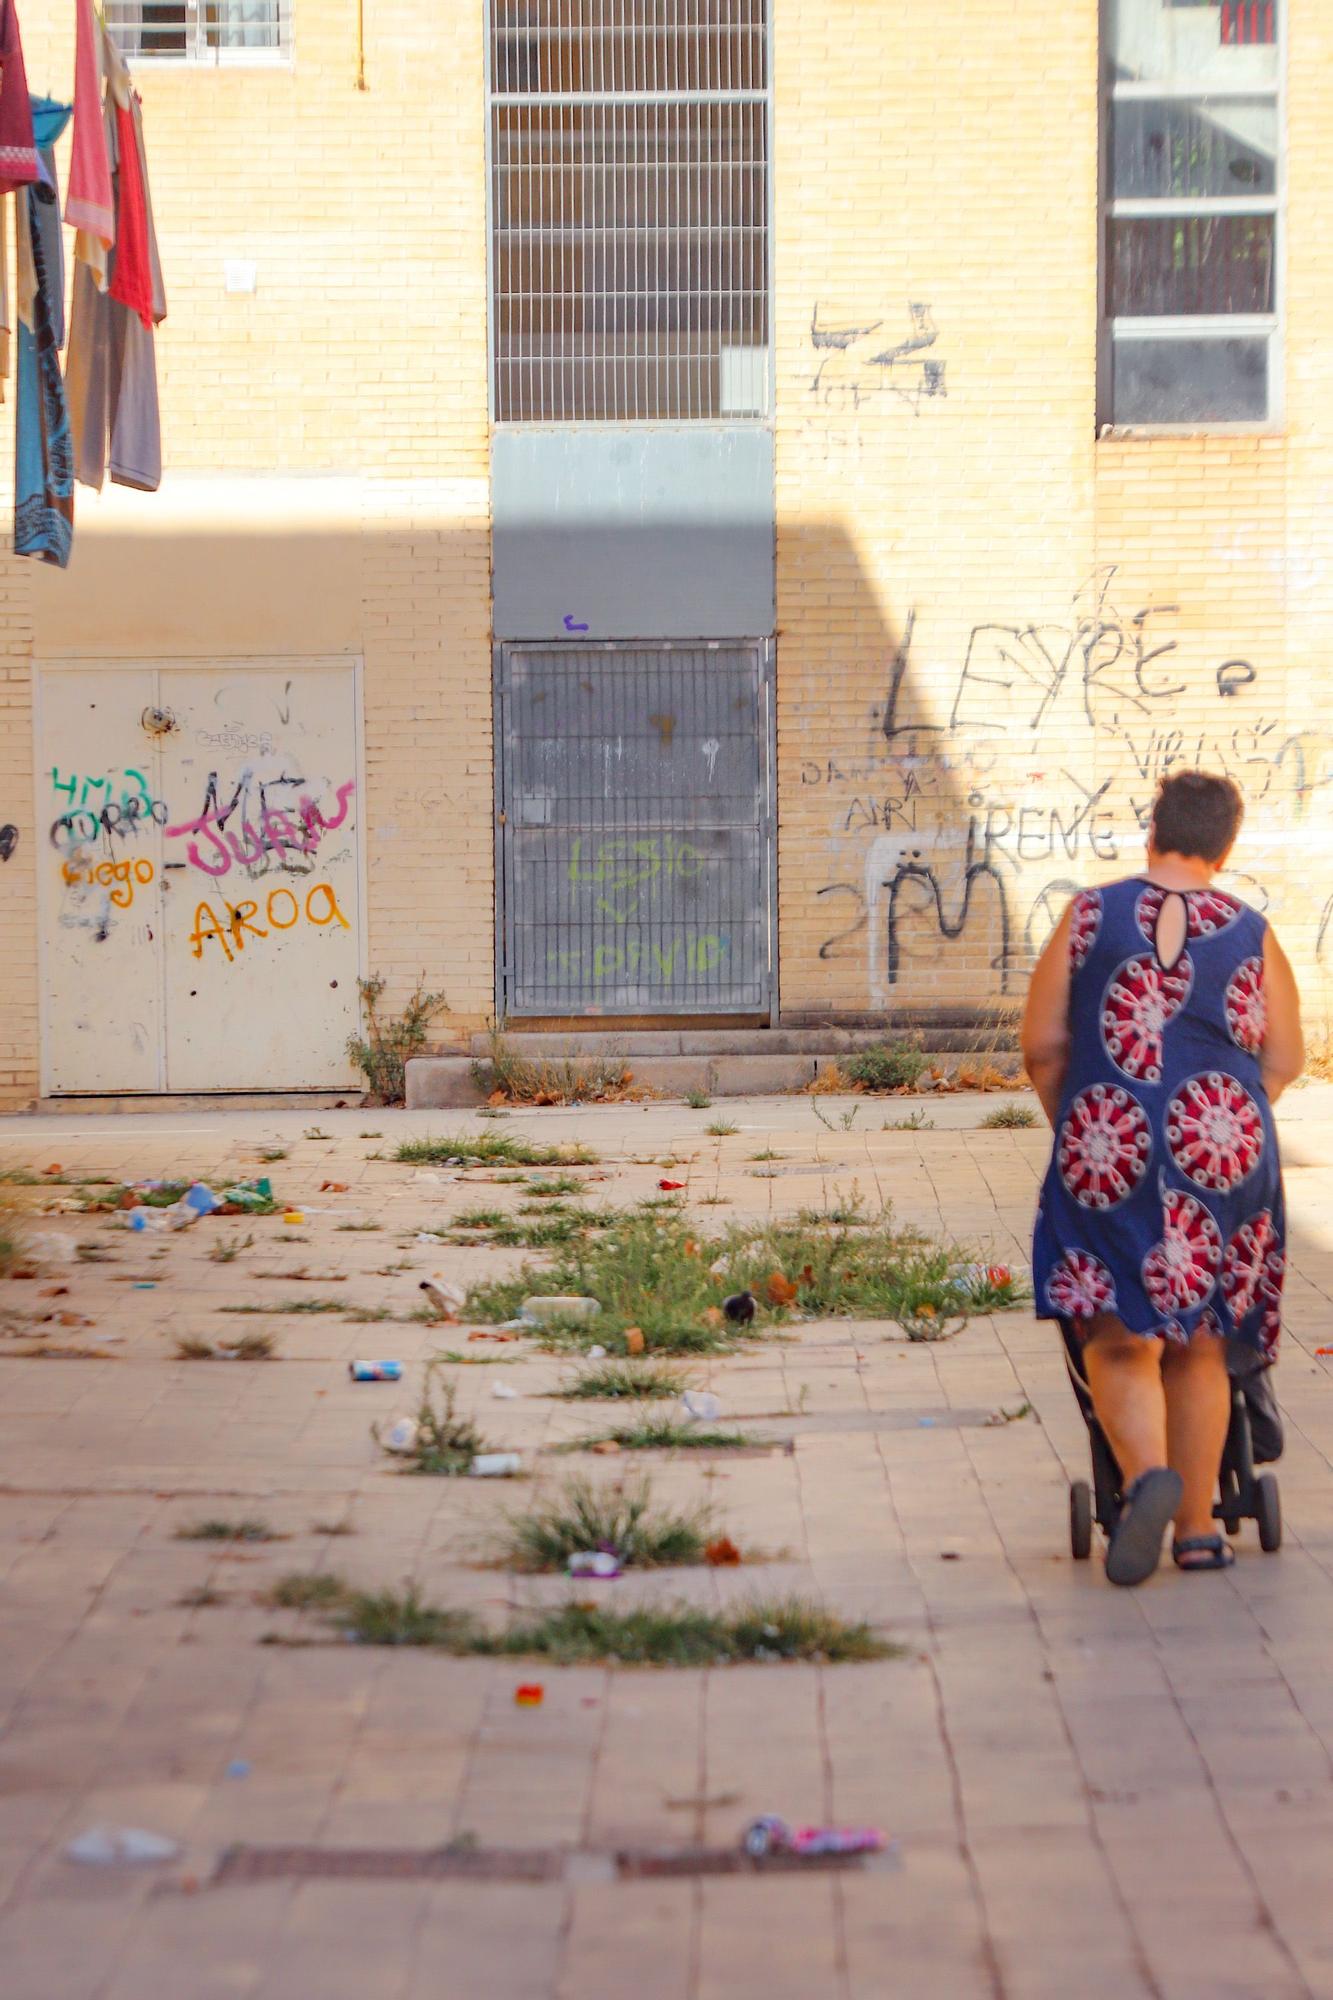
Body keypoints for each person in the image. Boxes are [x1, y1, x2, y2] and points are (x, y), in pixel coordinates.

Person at [1022, 771, 1304, 1585]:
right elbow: (1283, 1059)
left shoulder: (1087, 916)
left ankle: (1146, 1480)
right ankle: (1197, 1534)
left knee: (1118, 1338)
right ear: (1225, 845)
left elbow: (1042, 1046)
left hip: (1106, 1141)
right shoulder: (1250, 930)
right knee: (1203, 1342)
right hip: (1223, 1144)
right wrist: (1223, 1118)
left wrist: (1084, 1126)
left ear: (1152, 830)